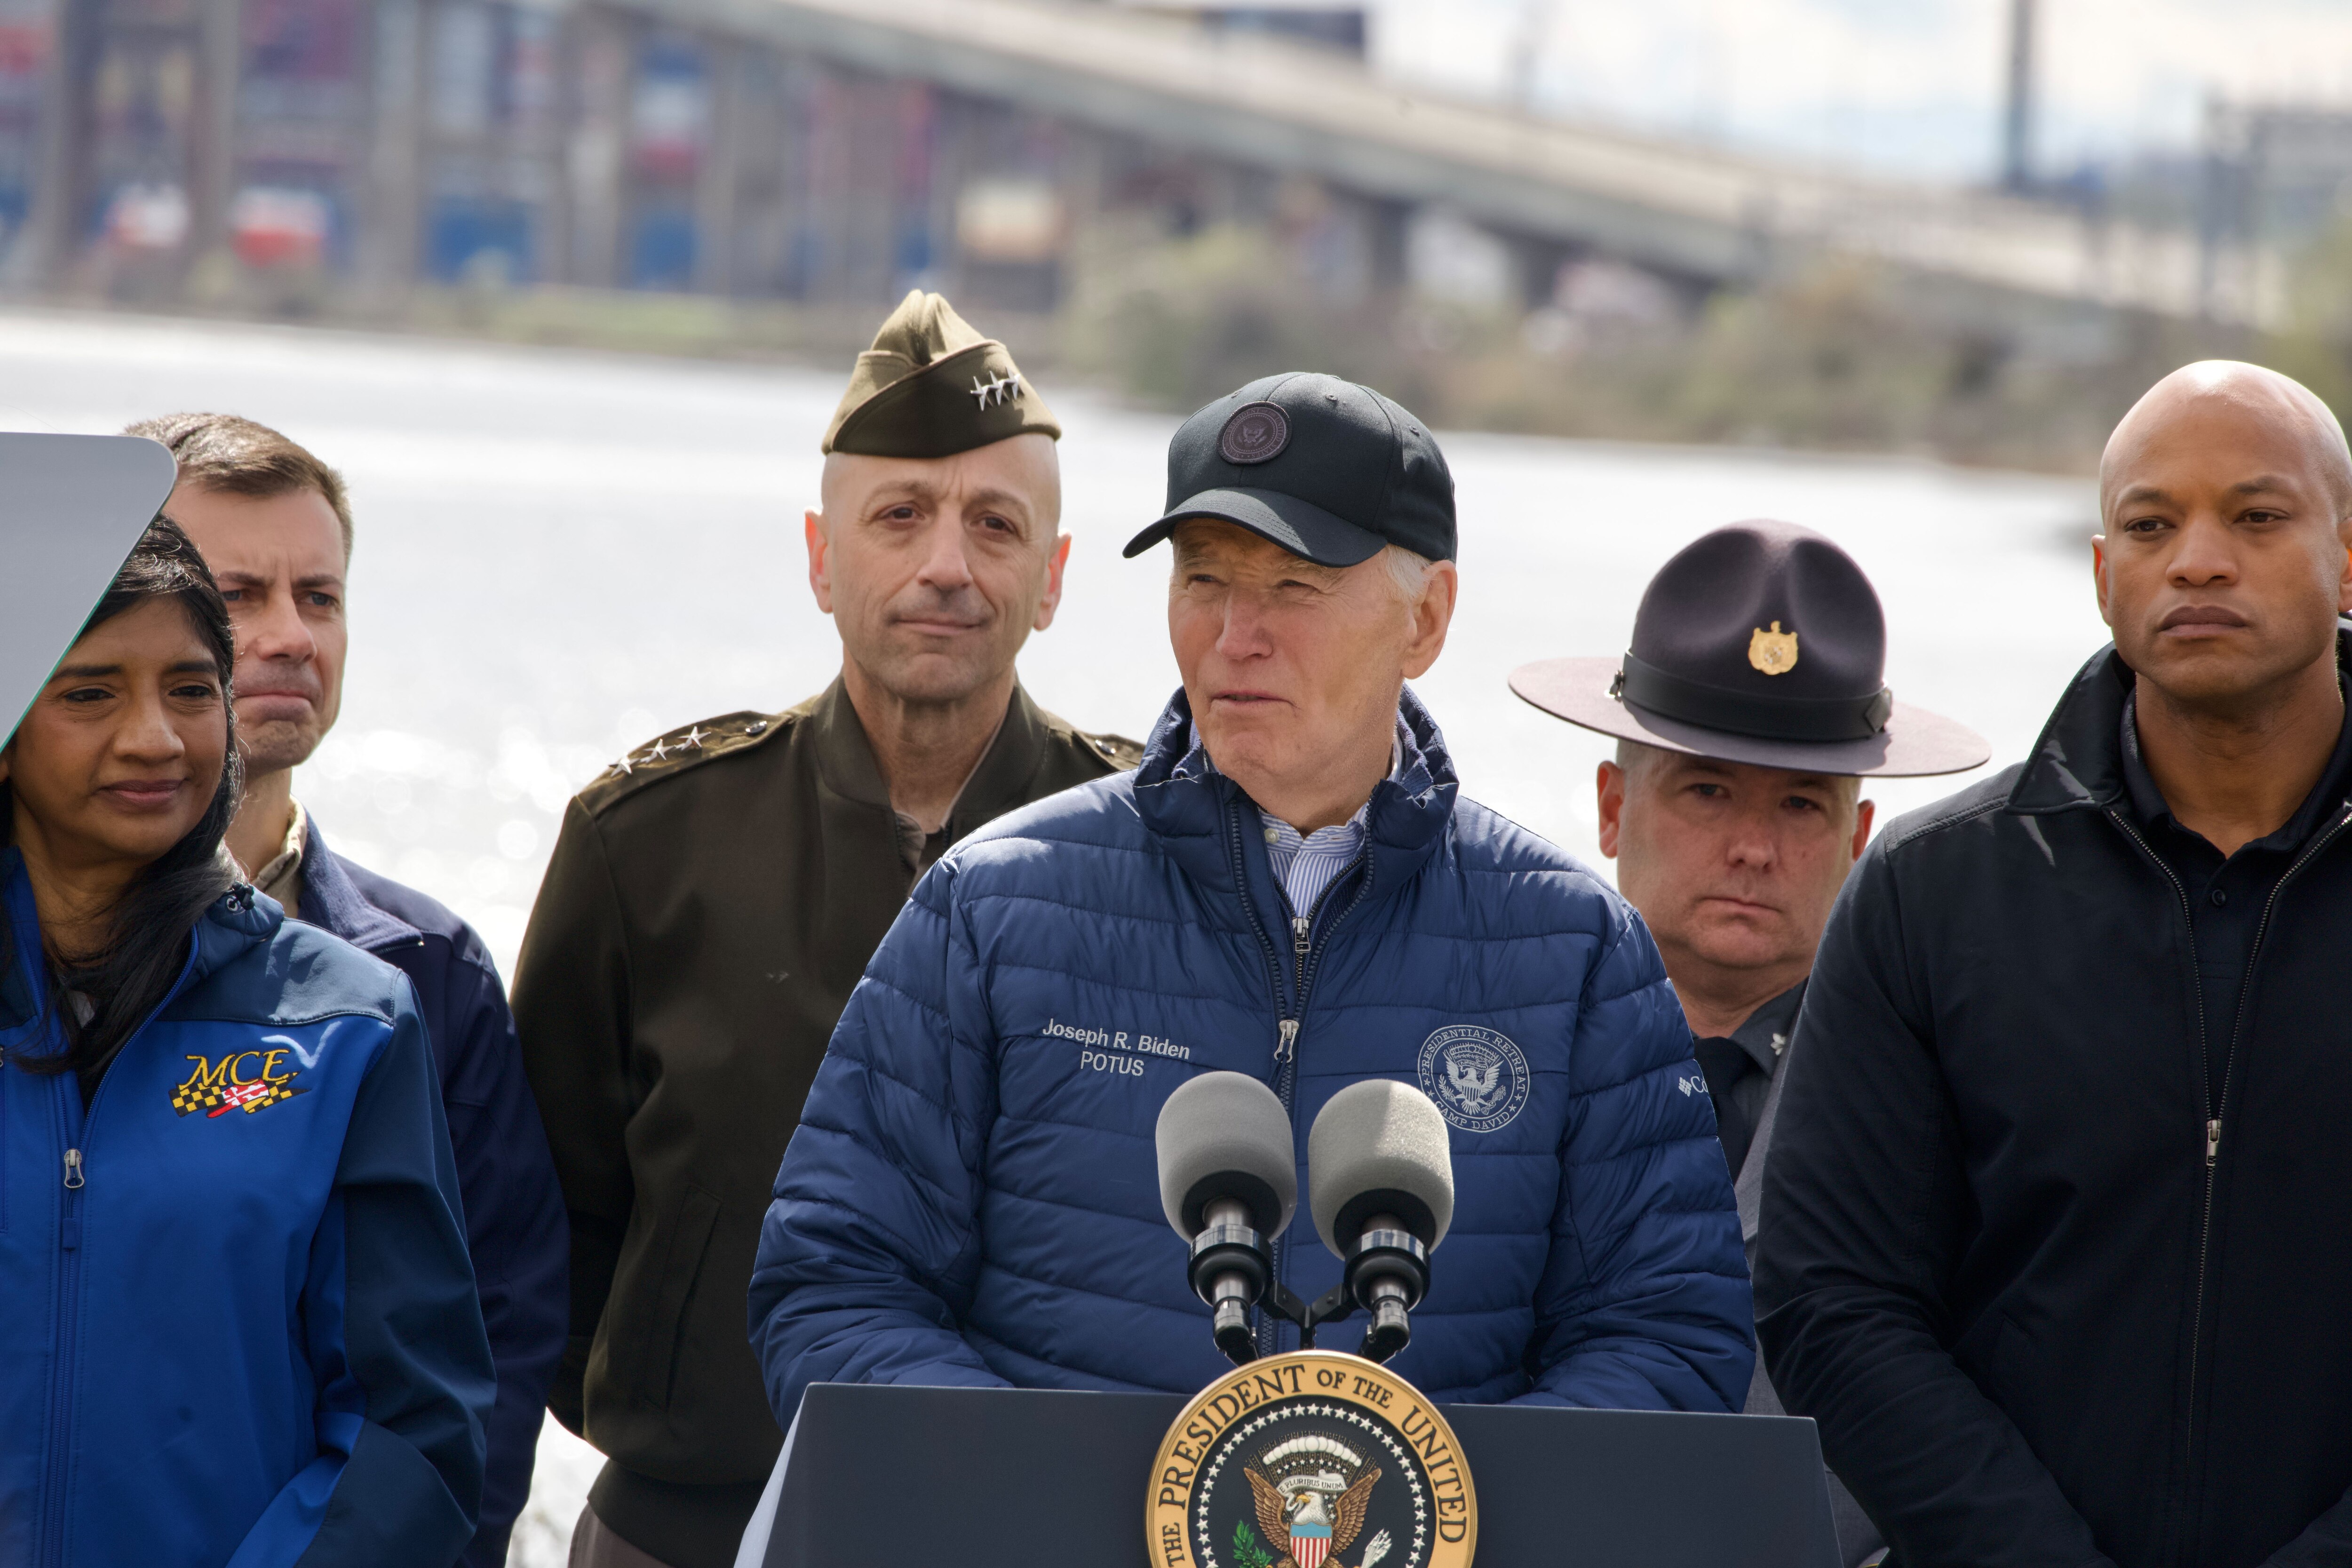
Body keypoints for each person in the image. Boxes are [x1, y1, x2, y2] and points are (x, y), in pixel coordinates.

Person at [748, 372, 1754, 1433]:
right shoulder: (989, 907)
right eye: (1204, 580)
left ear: (1427, 617)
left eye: (1293, 586)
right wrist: (1048, 1507)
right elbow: (834, 1285)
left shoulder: (1577, 948)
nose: (1235, 636)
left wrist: (1433, 1517)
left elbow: (1669, 1336)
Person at [513, 291, 1141, 1568]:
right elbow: (535, 1222)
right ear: (820, 555)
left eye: (995, 523)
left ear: (1055, 578)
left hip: (1039, 1534)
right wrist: (679, 1400)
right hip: (681, 1525)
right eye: (899, 515)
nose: (947, 565)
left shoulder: (1150, 857)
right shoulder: (648, 843)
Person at [1756, 360, 2352, 1568]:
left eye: (2255, 515)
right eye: (2149, 523)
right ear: (2100, 575)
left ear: (2349, 555)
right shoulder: (1933, 891)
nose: (2195, 558)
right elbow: (1832, 1298)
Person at [0, 504, 492, 1566]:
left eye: (190, 688)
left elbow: (413, 1421)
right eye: (90, 691)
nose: (155, 736)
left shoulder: (344, 1024)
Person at [130, 411, 567, 1568]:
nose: (289, 635)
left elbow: (495, 1345)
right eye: (239, 592)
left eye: (318, 597)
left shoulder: (425, 971)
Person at [1510, 518, 1988, 1565]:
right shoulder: (1485, 1063)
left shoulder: (1956, 1103)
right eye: (1708, 787)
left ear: (1859, 843)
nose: (1754, 846)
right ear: (1608, 803)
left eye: (1803, 804)